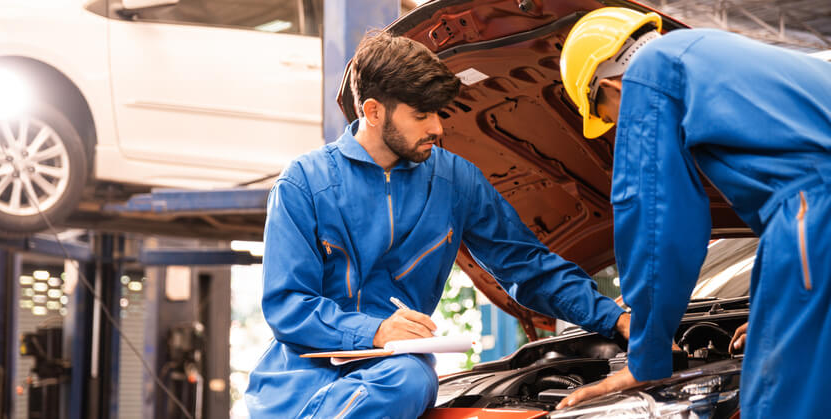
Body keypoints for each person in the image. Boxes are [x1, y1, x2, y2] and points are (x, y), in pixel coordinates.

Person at [244, 31, 631, 418]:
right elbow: (288, 305)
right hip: (294, 386)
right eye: (421, 115)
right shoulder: (304, 183)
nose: (437, 128)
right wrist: (374, 331)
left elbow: (529, 268)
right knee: (409, 379)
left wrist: (613, 317)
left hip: (392, 380)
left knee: (409, 378)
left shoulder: (457, 182)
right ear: (374, 111)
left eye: (438, 113)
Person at [553, 7, 831, 418]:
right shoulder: (715, 51)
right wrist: (773, 308)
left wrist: (646, 358)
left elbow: (656, 223)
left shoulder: (650, 74)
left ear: (611, 88)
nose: (617, 129)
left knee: (779, 404)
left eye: (610, 121)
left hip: (816, 216)